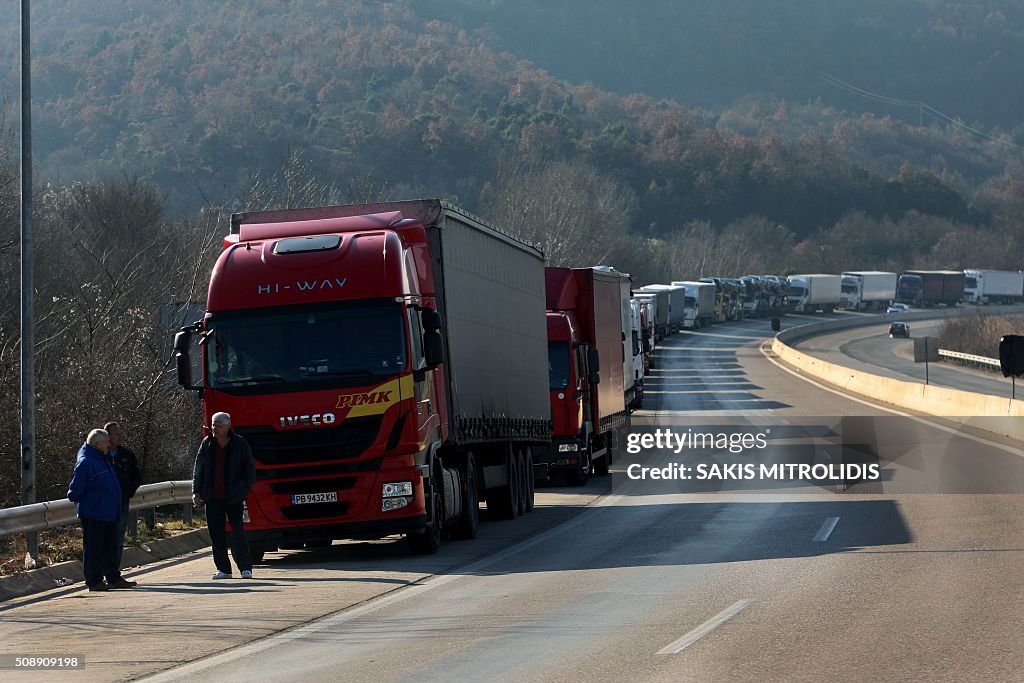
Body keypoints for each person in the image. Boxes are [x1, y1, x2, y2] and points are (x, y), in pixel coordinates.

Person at [67, 429, 137, 591]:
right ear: (98, 444)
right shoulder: (86, 462)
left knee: (109, 547)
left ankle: (113, 577)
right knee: (94, 549)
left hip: (107, 512)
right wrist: (94, 500)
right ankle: (94, 580)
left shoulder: (101, 458)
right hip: (94, 513)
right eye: (106, 442)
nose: (109, 444)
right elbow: (75, 491)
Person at [192, 412, 256, 579]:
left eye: (218, 425)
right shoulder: (207, 444)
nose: (215, 428)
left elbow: (249, 470)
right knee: (216, 534)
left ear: (228, 426)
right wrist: (196, 491)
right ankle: (223, 569)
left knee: (238, 532)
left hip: (233, 497)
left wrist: (243, 489)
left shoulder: (239, 444)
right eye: (213, 425)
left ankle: (245, 568)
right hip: (212, 497)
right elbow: (198, 469)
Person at [105, 421, 143, 574]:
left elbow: (137, 477)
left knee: (118, 538)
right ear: (107, 436)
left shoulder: (127, 454)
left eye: (121, 433)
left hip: (121, 503)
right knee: (104, 539)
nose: (120, 436)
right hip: (104, 504)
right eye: (116, 434)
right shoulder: (100, 454)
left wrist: (129, 492)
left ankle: (114, 572)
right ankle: (103, 571)